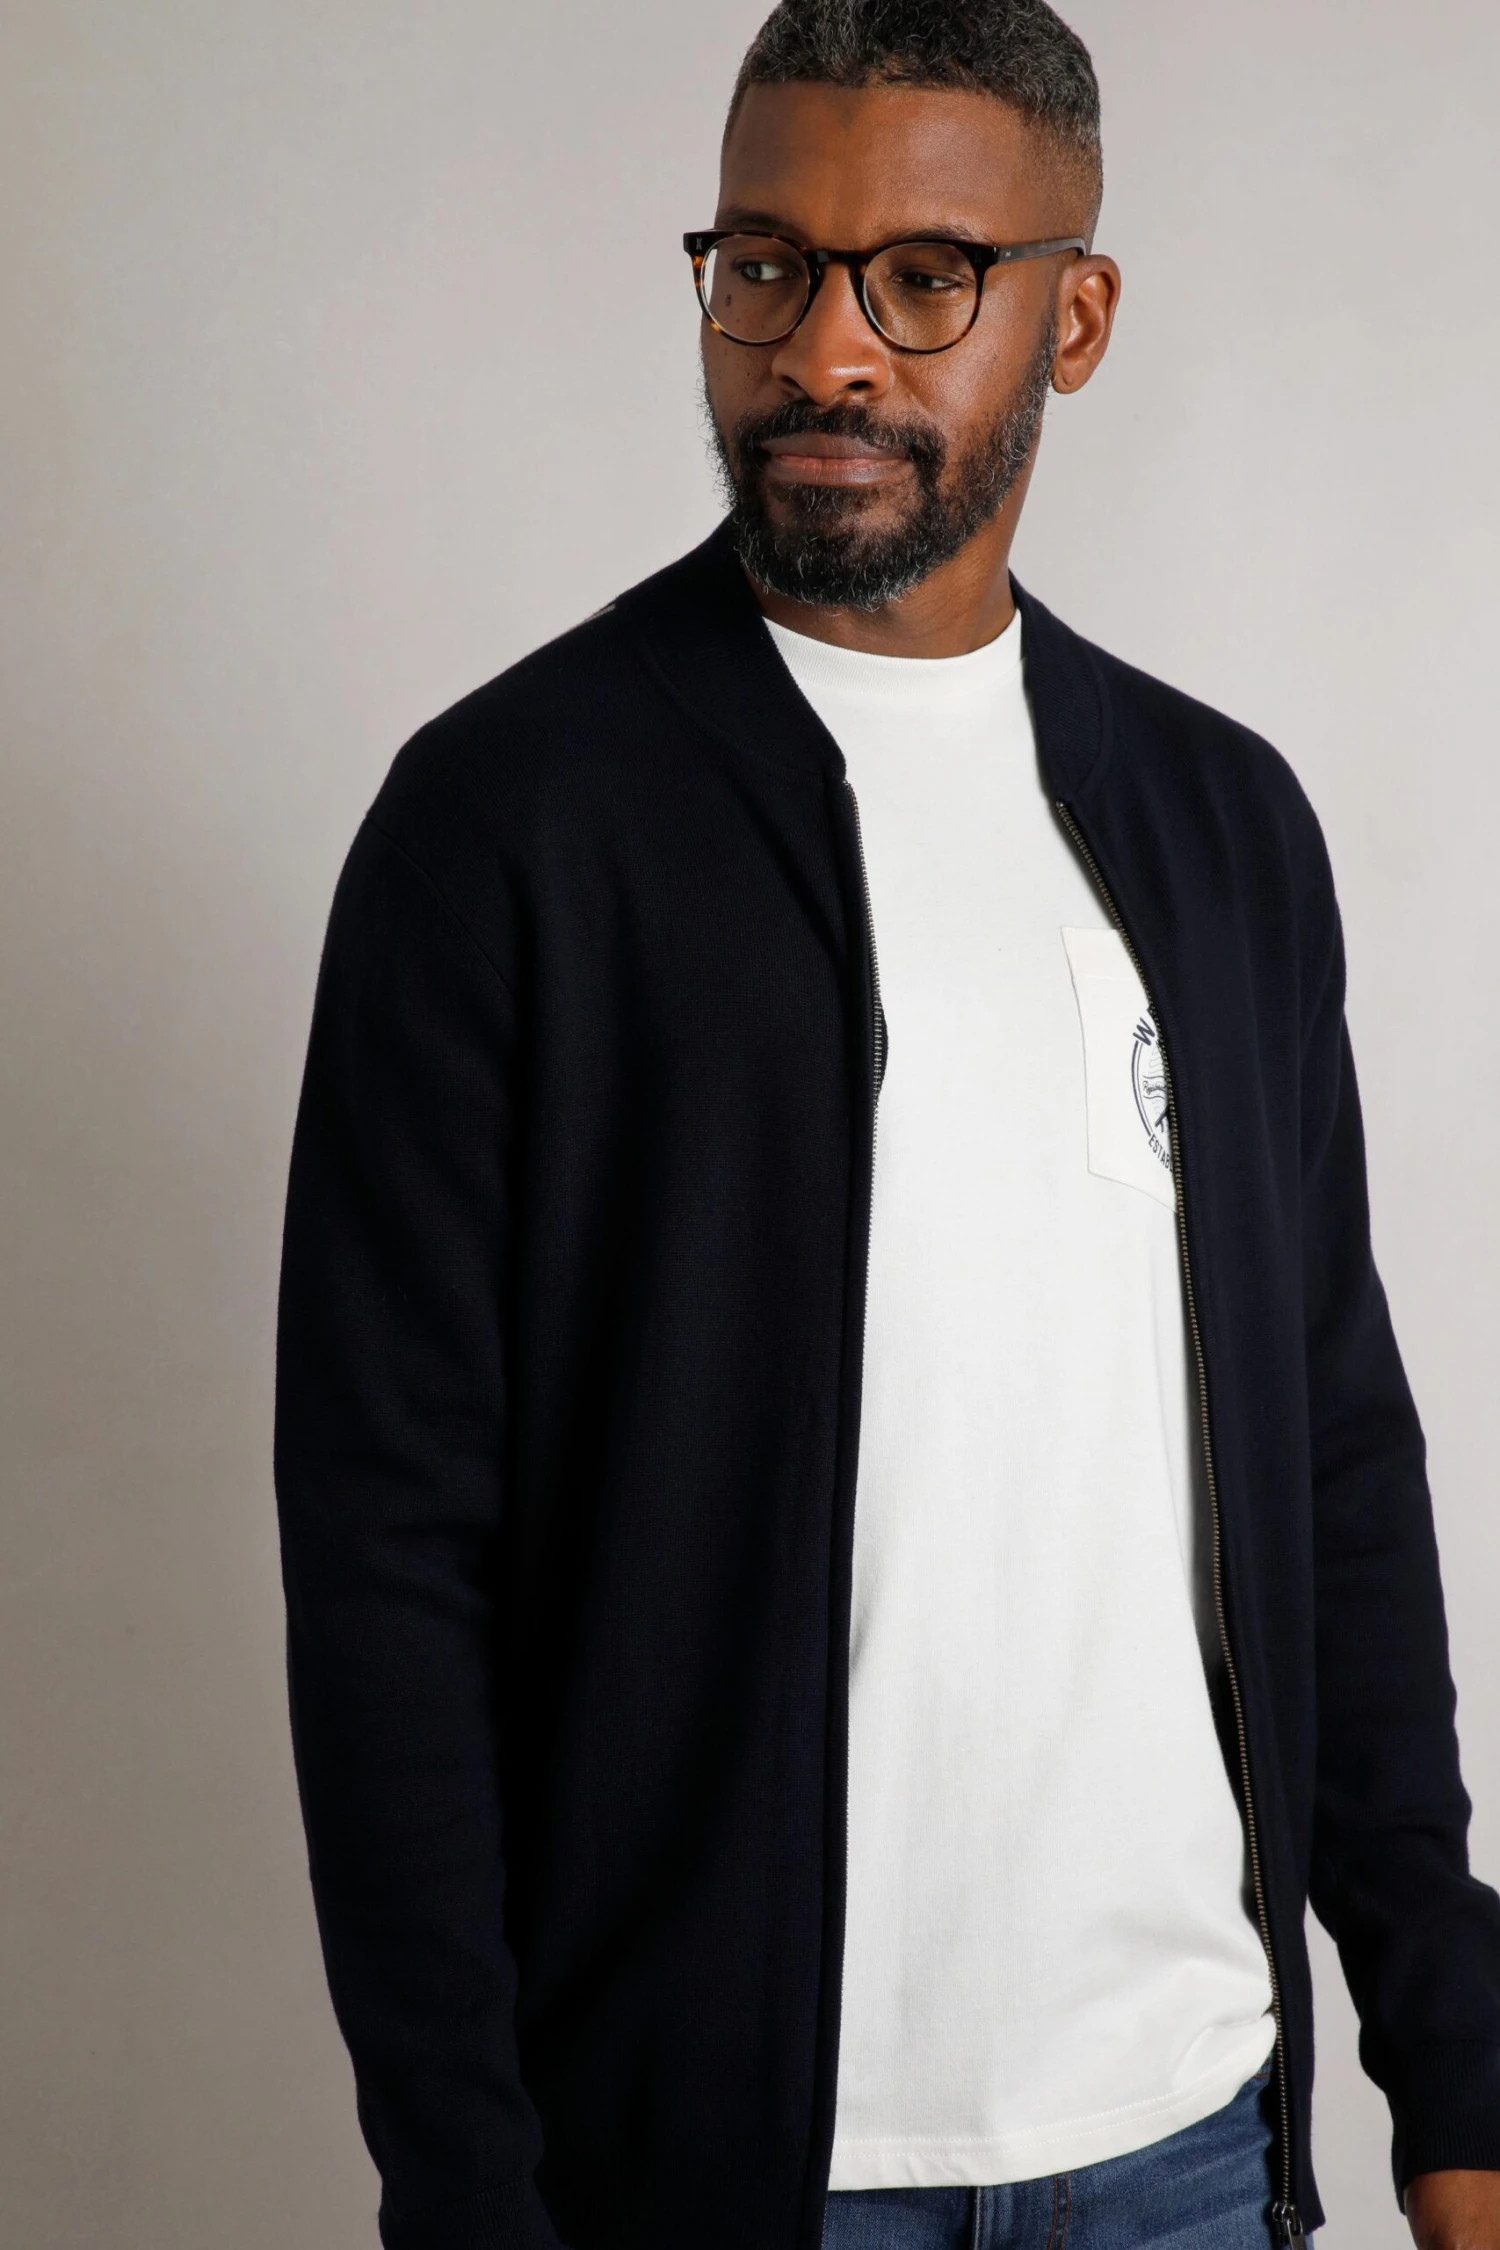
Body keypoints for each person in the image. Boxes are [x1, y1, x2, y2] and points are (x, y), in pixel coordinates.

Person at [272, 4, 1500, 2246]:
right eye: (764, 265)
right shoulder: (509, 822)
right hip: (723, 2171)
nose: (822, 351)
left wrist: (1459, 2062)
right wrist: (465, 2188)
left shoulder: (1220, 825)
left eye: (923, 277)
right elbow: (385, 1565)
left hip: (1188, 2137)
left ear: (1076, 318)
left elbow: (1330, 1446)